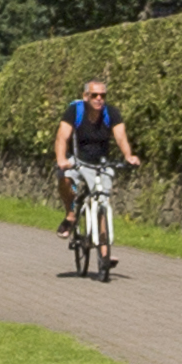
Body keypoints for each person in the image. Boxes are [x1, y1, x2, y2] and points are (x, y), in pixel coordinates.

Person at [50, 76, 133, 267]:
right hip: (78, 161)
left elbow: (121, 137)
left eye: (102, 95)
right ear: (85, 96)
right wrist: (62, 160)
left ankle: (104, 253)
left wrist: (128, 156)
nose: (99, 99)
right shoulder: (75, 111)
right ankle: (70, 215)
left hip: (101, 164)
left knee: (101, 201)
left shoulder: (111, 113)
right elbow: (62, 137)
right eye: (94, 95)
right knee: (64, 179)